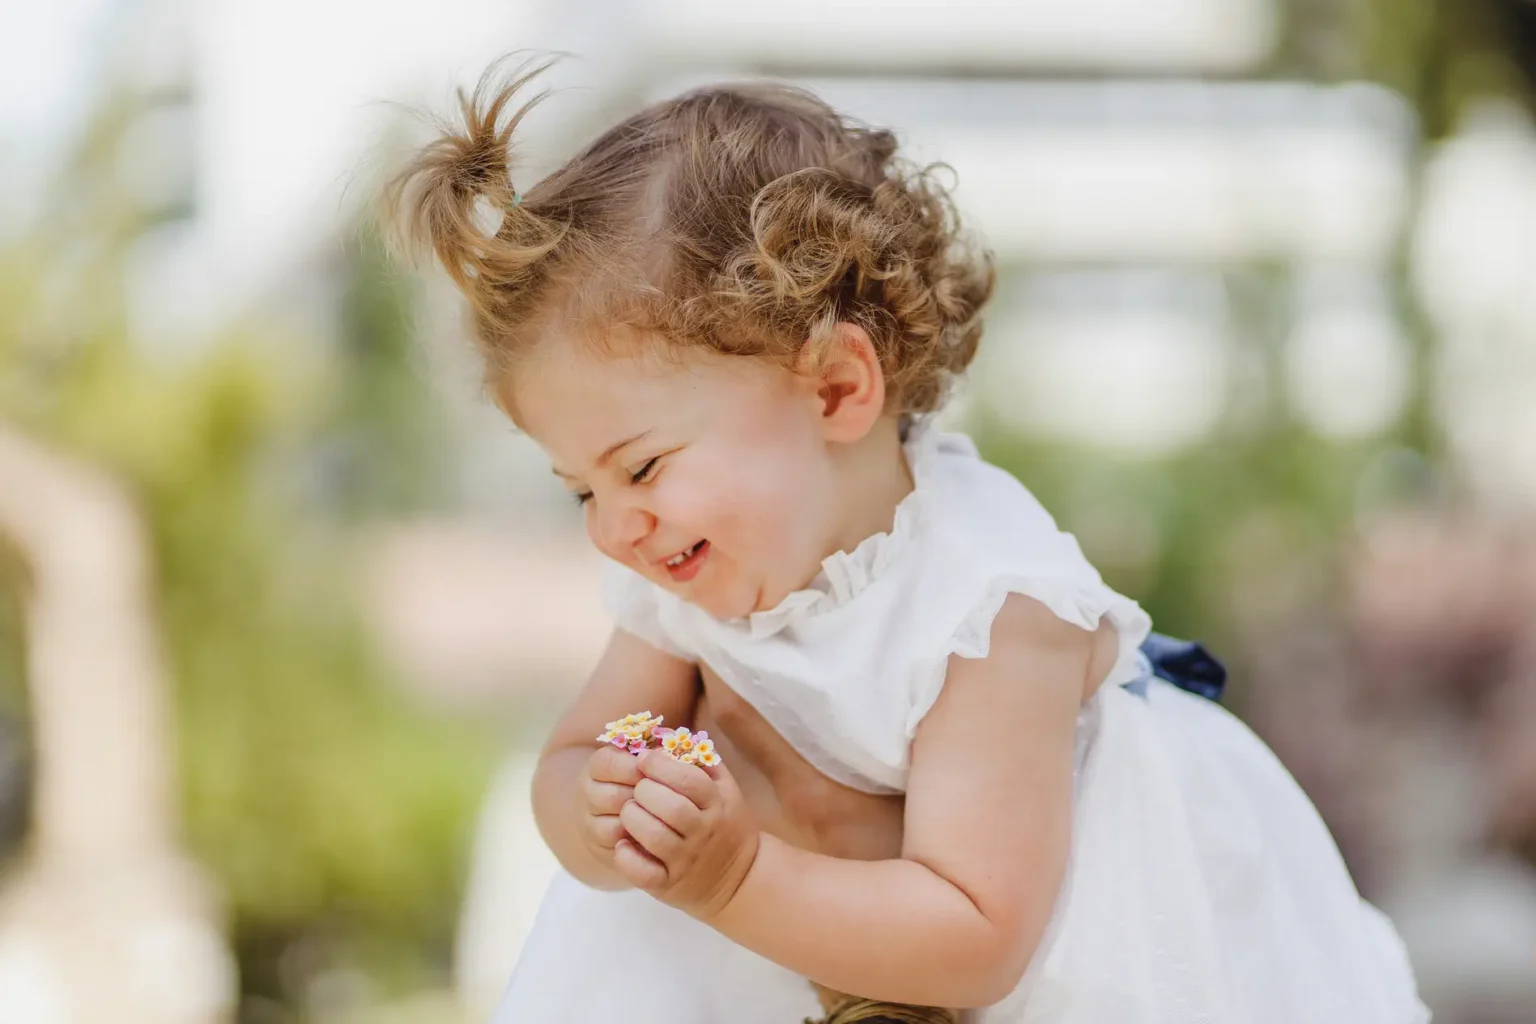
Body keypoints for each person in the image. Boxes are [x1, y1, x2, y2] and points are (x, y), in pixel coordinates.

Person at [384, 60, 1430, 1023]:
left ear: (838, 386)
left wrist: (734, 875)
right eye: (581, 492)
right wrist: (600, 805)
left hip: (1090, 952)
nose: (616, 528)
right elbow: (570, 757)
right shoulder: (693, 581)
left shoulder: (990, 602)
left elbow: (977, 935)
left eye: (643, 467)